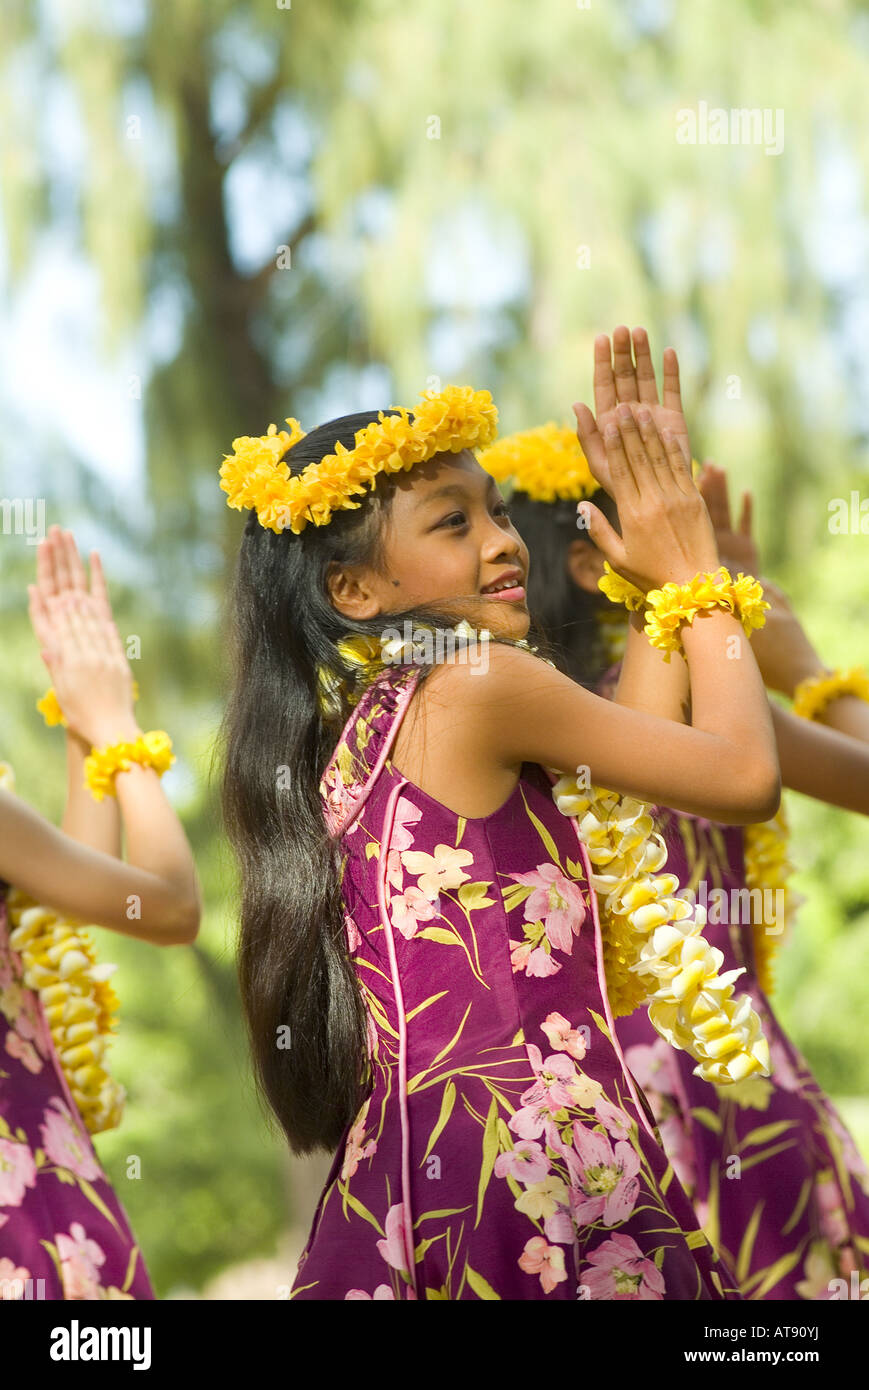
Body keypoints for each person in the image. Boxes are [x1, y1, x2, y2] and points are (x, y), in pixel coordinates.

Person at [218, 382, 781, 1300]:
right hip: (535, 1161)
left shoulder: (374, 723)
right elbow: (743, 777)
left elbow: (621, 778)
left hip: (420, 1169)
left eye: (500, 511)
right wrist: (696, 573)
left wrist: (653, 600)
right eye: (453, 523)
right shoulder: (478, 679)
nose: (504, 539)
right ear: (352, 590)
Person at [490, 325, 869, 1299]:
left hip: (633, 1099)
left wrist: (727, 621)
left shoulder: (519, 710)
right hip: (696, 1092)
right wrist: (798, 666)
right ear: (586, 561)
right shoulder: (618, 703)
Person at [0, 527, 200, 1300]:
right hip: (32, 1227)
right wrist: (114, 724)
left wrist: (82, 723)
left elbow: (75, 894)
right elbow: (169, 902)